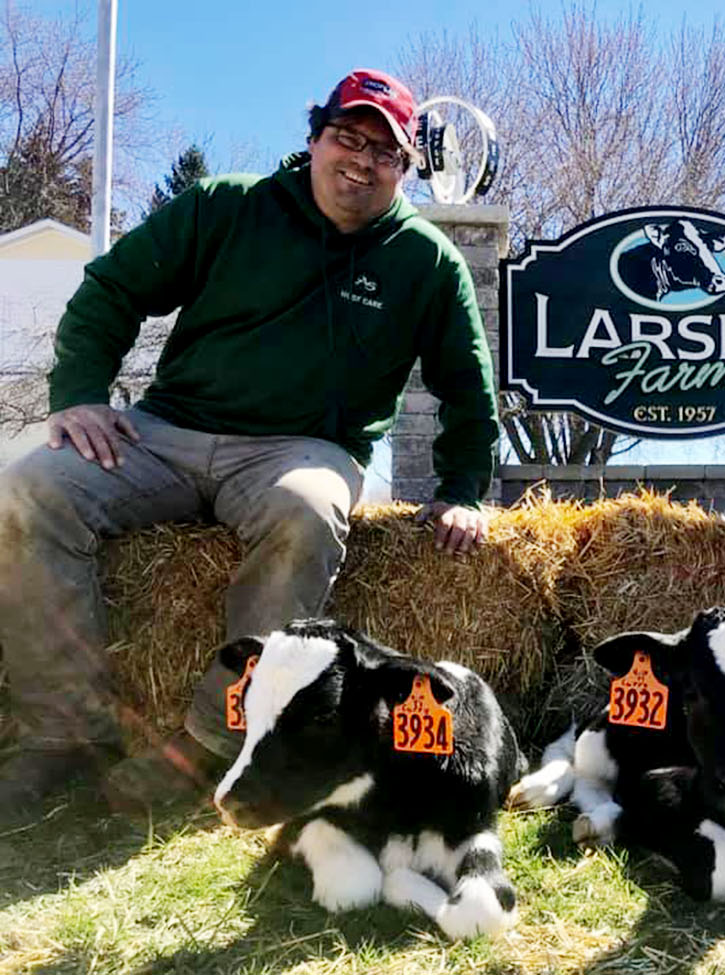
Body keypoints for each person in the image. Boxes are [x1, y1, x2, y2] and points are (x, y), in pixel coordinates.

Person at [0, 68, 499, 819]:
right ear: (315, 135)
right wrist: (79, 397)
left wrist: (461, 492)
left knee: (306, 513)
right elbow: (111, 289)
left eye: (385, 151)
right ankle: (61, 731)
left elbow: (469, 384)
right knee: (30, 487)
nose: (361, 161)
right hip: (166, 431)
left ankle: (210, 739)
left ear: (406, 168)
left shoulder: (426, 262)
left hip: (301, 450)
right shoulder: (225, 207)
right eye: (347, 137)